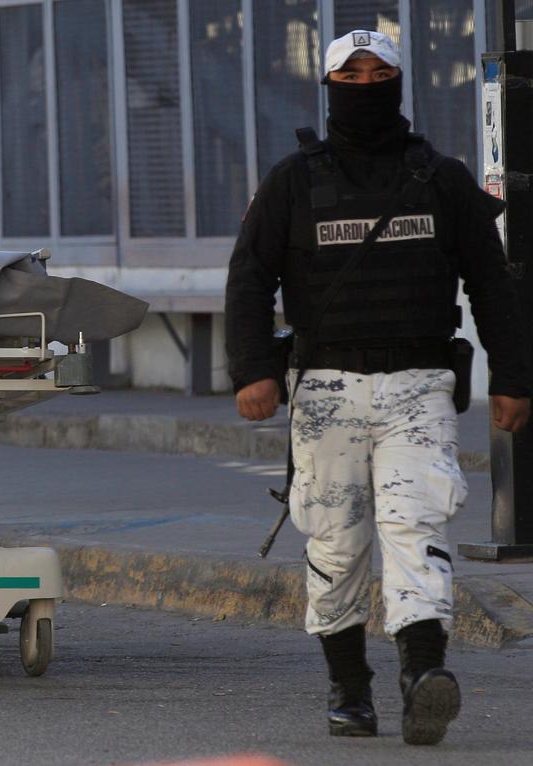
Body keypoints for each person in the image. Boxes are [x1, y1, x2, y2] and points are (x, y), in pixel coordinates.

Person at [225, 30, 530, 746]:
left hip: (418, 387)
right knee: (336, 543)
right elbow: (249, 278)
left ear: (398, 80)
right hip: (326, 390)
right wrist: (252, 370)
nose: (366, 83)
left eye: (378, 71)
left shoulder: (441, 177)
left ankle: (423, 675)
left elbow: (492, 284)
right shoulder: (292, 181)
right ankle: (349, 687)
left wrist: (514, 377)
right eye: (351, 73)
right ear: (329, 86)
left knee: (416, 527)